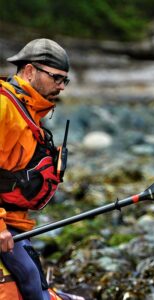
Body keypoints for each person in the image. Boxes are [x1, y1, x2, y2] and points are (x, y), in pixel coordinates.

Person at [0, 39, 76, 300]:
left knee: (36, 283)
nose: (61, 86)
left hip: (16, 222)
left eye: (65, 80)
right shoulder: (4, 107)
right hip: (4, 223)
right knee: (32, 285)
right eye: (56, 78)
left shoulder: (29, 110)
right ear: (30, 71)